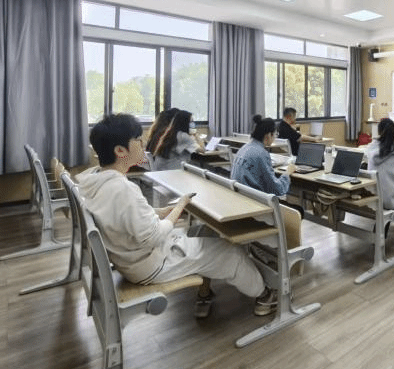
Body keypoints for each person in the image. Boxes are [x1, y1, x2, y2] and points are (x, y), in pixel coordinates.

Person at [77, 113, 277, 318]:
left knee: (204, 230)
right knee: (232, 254)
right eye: (137, 140)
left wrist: (159, 212)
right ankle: (265, 294)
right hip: (151, 264)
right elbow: (154, 236)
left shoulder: (98, 180)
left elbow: (123, 216)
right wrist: (178, 207)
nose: (143, 143)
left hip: (136, 258)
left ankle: (205, 292)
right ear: (120, 150)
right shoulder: (122, 189)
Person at [231, 115, 296, 196]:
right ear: (268, 135)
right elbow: (276, 188)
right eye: (275, 134)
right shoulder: (261, 154)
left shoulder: (244, 148)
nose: (275, 137)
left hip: (240, 195)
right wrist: (287, 173)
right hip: (252, 199)